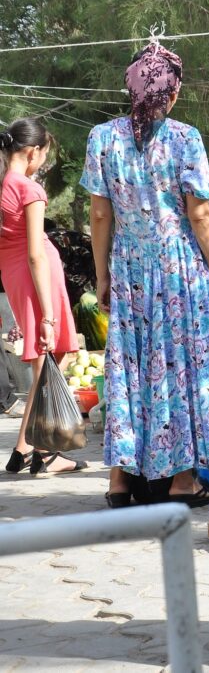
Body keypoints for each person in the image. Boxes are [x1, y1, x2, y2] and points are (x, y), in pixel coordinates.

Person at [81, 42, 209, 509]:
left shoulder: (102, 138)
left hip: (129, 268)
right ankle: (181, 483)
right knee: (180, 365)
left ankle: (120, 481)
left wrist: (103, 275)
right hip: (178, 271)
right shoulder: (184, 138)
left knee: (131, 369)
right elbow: (201, 214)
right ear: (171, 94)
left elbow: (99, 214)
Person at [0, 118, 86, 475]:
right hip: (38, 275)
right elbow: (36, 253)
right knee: (55, 354)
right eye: (45, 155)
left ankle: (23, 449)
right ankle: (46, 452)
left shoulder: (2, 186)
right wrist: (49, 317)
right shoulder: (28, 189)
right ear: (33, 152)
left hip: (14, 275)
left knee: (43, 362)